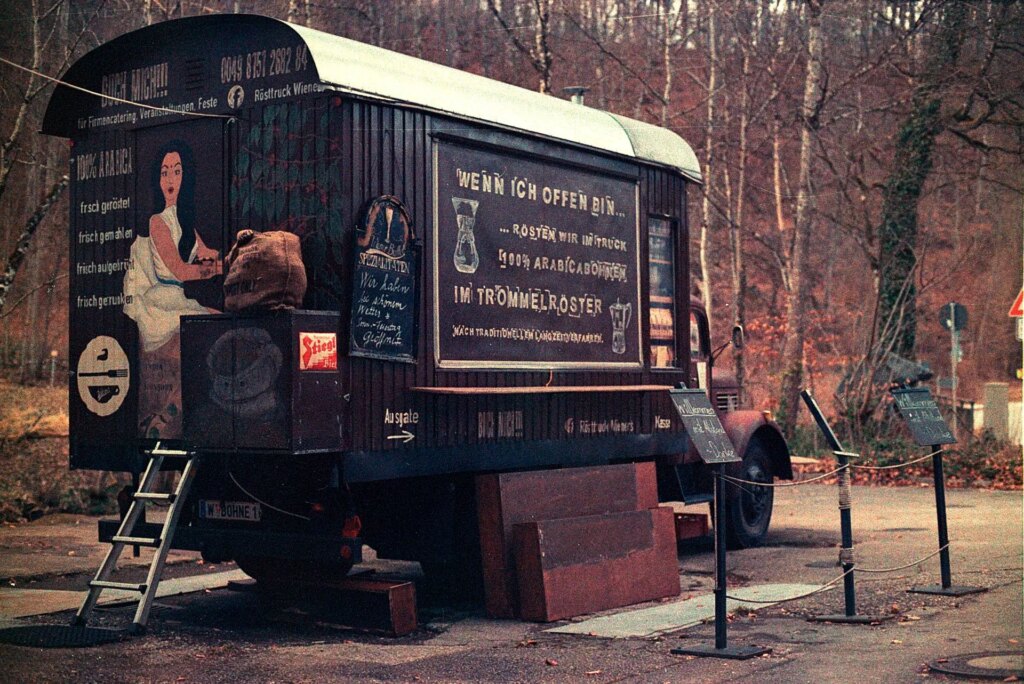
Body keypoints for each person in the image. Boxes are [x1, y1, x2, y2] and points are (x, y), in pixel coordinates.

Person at [123, 140, 222, 438]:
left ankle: (180, 407)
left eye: (176, 172)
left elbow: (209, 254)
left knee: (221, 321)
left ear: (185, 177)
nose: (170, 179)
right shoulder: (157, 222)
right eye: (164, 172)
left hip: (177, 299)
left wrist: (225, 260)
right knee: (209, 330)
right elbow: (178, 269)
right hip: (161, 304)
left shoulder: (185, 223)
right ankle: (173, 409)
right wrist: (212, 270)